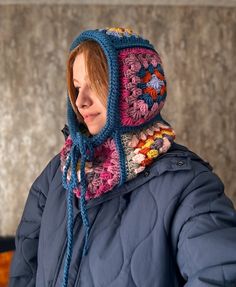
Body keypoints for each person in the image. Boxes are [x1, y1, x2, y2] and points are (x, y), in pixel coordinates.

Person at [9, 27, 236, 287]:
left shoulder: (189, 185)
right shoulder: (60, 172)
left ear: (134, 92)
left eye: (95, 84)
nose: (81, 101)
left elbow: (222, 275)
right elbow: (25, 270)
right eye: (77, 87)